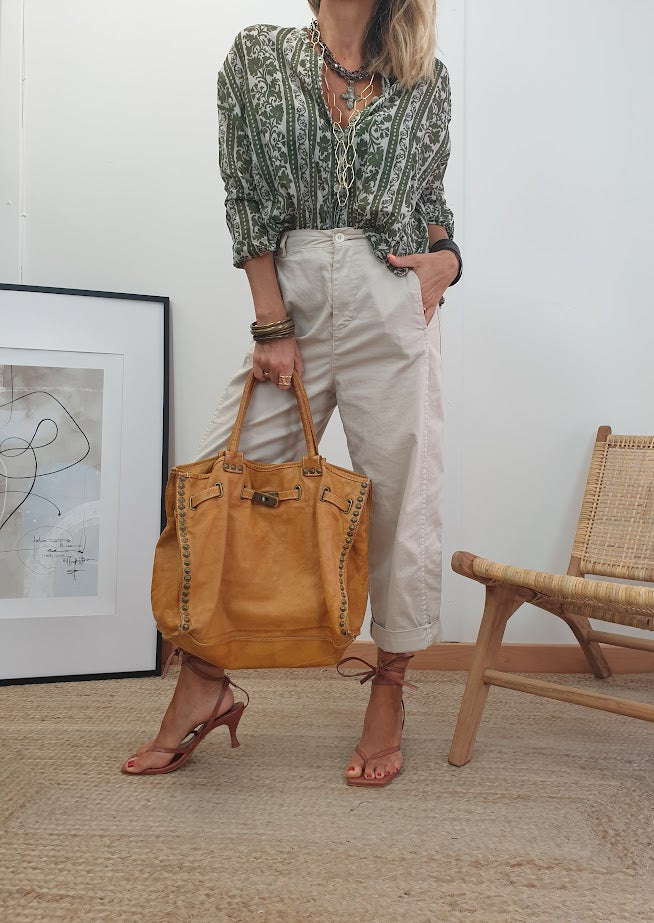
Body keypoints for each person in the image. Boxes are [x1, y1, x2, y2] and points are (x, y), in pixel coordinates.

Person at [122, 0, 461, 785]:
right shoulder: (260, 56)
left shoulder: (425, 77)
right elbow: (245, 194)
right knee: (222, 481)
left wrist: (449, 261)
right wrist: (271, 321)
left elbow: (431, 205)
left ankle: (390, 687)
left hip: (391, 302)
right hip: (294, 297)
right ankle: (203, 680)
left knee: (403, 499)